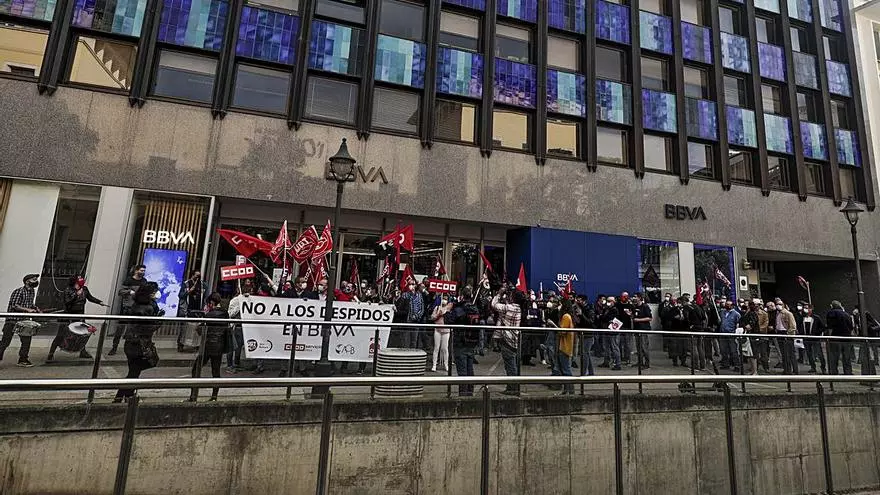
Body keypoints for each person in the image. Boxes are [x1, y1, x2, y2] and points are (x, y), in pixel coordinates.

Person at [114, 283, 162, 401]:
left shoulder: (137, 304)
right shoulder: (147, 308)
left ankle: (126, 396)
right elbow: (147, 327)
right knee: (135, 371)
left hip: (132, 342)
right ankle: (122, 396)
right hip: (139, 343)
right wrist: (159, 321)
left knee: (134, 371)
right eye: (154, 291)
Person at [47, 276, 104, 362]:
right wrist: (76, 294)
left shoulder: (84, 289)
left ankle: (82, 351)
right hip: (68, 316)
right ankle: (51, 354)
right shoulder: (68, 290)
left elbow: (90, 298)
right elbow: (67, 302)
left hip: (79, 315)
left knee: (82, 334)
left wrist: (99, 302)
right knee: (60, 335)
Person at [189, 293, 229, 402]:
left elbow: (200, 329)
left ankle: (193, 395)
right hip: (219, 345)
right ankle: (214, 396)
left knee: (196, 369)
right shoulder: (225, 314)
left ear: (211, 303)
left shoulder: (209, 315)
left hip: (207, 346)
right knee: (216, 371)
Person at [0, 273, 42, 367]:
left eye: (36, 279)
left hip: (24, 320)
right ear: (27, 281)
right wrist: (28, 310)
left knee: (26, 340)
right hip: (13, 320)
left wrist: (36, 308)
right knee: (5, 341)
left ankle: (23, 359)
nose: (36, 281)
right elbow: (15, 305)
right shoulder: (19, 291)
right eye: (33, 280)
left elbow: (29, 303)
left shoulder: (32, 292)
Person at [446, 286, 480, 396]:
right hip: (471, 342)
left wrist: (448, 310)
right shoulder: (475, 308)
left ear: (462, 296)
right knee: (469, 369)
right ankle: (469, 393)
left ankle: (463, 396)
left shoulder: (460, 310)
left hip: (460, 342)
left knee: (462, 371)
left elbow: (449, 321)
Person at [110, 264, 148, 355]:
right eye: (141, 270)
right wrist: (129, 291)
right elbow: (120, 291)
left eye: (144, 271)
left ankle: (130, 349)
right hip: (127, 308)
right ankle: (114, 347)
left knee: (134, 330)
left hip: (138, 308)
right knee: (120, 328)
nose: (143, 272)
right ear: (136, 271)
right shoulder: (129, 280)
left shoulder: (144, 281)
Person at [492, 287, 523, 396]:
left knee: (510, 365)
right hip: (514, 339)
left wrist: (499, 293)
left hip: (507, 339)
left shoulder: (510, 308)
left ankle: (513, 388)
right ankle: (512, 387)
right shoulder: (518, 308)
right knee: (511, 364)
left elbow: (494, 305)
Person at [225, 281, 252, 372]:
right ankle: (229, 365)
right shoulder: (235, 300)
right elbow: (230, 314)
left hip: (243, 327)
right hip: (234, 326)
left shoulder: (250, 300)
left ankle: (236, 363)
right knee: (231, 346)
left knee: (239, 347)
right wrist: (240, 306)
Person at [826, 301, 854, 375]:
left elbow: (830, 327)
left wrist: (829, 337)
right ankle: (848, 372)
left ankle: (834, 372)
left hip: (836, 338)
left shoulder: (831, 313)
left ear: (832, 306)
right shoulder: (847, 314)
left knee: (834, 357)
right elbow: (851, 327)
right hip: (847, 338)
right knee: (846, 357)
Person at [555, 298, 576, 395]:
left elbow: (562, 332)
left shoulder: (566, 317)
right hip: (566, 346)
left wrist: (554, 326)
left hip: (564, 346)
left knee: (566, 370)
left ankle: (570, 391)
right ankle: (567, 390)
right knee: (565, 369)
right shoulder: (569, 316)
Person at [575, 294, 596, 376]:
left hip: (588, 334)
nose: (577, 302)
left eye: (579, 300)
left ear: (584, 301)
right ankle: (591, 372)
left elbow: (590, 322)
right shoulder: (579, 308)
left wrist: (581, 315)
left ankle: (583, 373)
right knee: (586, 353)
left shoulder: (589, 309)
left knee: (585, 354)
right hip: (582, 334)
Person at [598, 296, 621, 370]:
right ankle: (606, 362)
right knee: (606, 347)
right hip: (606, 330)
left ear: (613, 302)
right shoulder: (606, 309)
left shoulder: (615, 310)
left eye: (610, 301)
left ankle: (618, 364)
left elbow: (608, 318)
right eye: (607, 301)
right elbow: (603, 318)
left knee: (614, 348)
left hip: (613, 331)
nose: (608, 302)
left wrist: (603, 317)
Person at [430, 295, 452, 372]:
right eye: (443, 298)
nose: (444, 300)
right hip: (437, 330)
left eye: (446, 299)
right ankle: (434, 365)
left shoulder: (449, 309)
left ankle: (446, 365)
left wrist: (445, 313)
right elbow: (432, 317)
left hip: (446, 331)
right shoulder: (437, 308)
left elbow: (451, 319)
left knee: (445, 348)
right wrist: (437, 314)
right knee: (436, 348)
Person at [803, 304, 827, 374]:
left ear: (811, 309)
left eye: (807, 308)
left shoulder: (816, 318)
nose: (805, 309)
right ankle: (813, 367)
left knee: (819, 354)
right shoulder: (803, 318)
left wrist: (816, 333)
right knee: (809, 354)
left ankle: (823, 367)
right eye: (805, 308)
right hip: (806, 339)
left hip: (815, 339)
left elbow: (822, 327)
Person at [400, 281, 424, 349]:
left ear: (415, 285)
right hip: (407, 321)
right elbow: (401, 306)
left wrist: (416, 316)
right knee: (406, 341)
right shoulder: (405, 295)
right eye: (410, 284)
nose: (411, 286)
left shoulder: (419, 295)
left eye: (412, 284)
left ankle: (413, 353)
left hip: (416, 321)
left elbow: (421, 308)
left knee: (414, 341)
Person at [775, 301, 798, 374]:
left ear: (784, 305)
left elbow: (793, 326)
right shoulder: (778, 314)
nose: (778, 305)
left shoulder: (788, 313)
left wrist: (788, 334)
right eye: (777, 304)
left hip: (786, 334)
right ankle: (786, 369)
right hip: (779, 333)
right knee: (784, 353)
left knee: (789, 353)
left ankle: (794, 370)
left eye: (780, 304)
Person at [718, 300, 741, 371]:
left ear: (732, 306)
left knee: (733, 351)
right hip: (723, 333)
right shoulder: (722, 312)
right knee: (723, 350)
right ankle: (725, 364)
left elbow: (738, 324)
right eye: (726, 304)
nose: (727, 306)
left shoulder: (736, 314)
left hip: (731, 334)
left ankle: (737, 365)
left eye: (729, 304)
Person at [631, 293, 652, 369]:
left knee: (644, 346)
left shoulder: (645, 306)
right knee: (638, 347)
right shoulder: (635, 307)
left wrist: (639, 320)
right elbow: (634, 316)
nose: (634, 298)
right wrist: (630, 315)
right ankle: (640, 362)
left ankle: (647, 363)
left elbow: (649, 318)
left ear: (639, 298)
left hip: (643, 329)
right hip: (636, 329)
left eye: (635, 297)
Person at [739, 302, 760, 375]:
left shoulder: (752, 313)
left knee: (753, 354)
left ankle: (755, 371)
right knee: (749, 354)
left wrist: (744, 326)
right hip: (748, 335)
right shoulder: (746, 313)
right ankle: (752, 370)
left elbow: (750, 325)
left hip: (753, 335)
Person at [616, 292, 634, 365]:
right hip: (619, 326)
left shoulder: (630, 305)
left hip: (627, 326)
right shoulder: (617, 305)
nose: (625, 298)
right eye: (623, 296)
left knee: (627, 344)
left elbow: (633, 316)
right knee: (619, 343)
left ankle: (628, 359)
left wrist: (631, 314)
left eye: (626, 296)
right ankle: (619, 358)